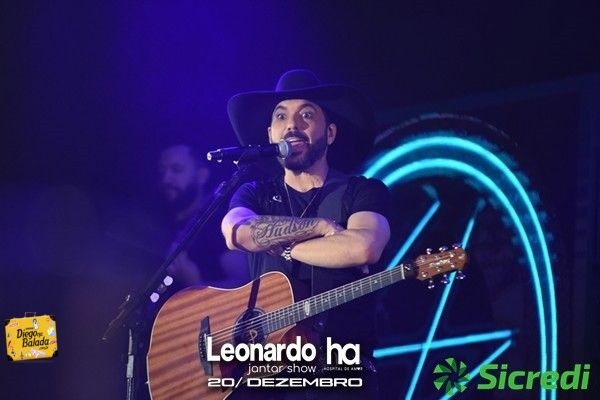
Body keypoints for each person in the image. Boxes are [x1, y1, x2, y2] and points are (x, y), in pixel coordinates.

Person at [221, 69, 391, 399]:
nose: (292, 125)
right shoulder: (254, 193)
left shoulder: (362, 191)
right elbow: (237, 232)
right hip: (265, 374)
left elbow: (363, 247)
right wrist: (320, 228)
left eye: (307, 115)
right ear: (270, 134)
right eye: (281, 116)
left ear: (330, 133)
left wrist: (283, 246)